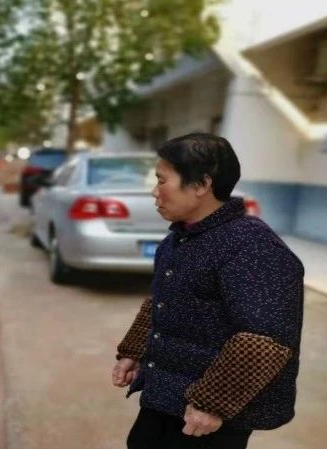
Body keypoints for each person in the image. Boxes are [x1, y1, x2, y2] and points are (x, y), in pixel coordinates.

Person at [113, 133, 304, 449]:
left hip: (208, 416)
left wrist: (213, 403)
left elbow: (266, 339)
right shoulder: (179, 240)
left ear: (201, 185)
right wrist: (135, 351)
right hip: (165, 394)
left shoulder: (252, 247)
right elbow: (164, 301)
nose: (155, 192)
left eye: (162, 181)